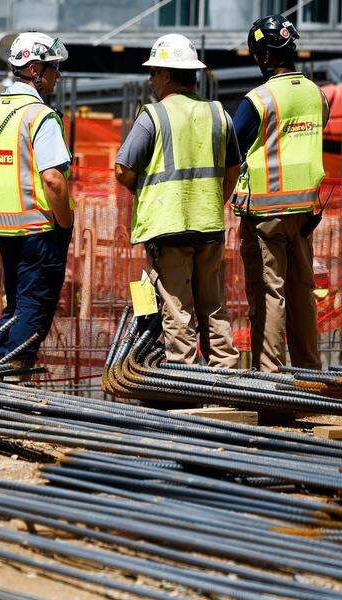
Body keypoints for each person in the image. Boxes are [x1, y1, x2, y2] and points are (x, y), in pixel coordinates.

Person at [114, 34, 240, 368]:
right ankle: (224, 379)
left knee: (177, 310)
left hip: (167, 227)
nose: (151, 79)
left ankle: (184, 383)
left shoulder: (153, 116)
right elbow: (233, 169)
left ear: (168, 75)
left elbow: (123, 168)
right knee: (214, 307)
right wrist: (214, 201)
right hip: (209, 224)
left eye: (154, 72)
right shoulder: (219, 114)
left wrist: (145, 191)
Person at [0, 32, 74, 377]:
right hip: (39, 228)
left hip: (3, 226)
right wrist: (66, 221)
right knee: (34, 302)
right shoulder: (39, 116)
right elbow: (54, 180)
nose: (58, 75)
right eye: (54, 68)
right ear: (34, 70)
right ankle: (13, 374)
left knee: (14, 301)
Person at [231, 14, 328, 374]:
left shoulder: (259, 98)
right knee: (302, 291)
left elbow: (232, 147)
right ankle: (308, 370)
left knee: (270, 294)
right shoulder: (317, 95)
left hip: (266, 214)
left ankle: (269, 374)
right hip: (304, 212)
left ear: (266, 57)